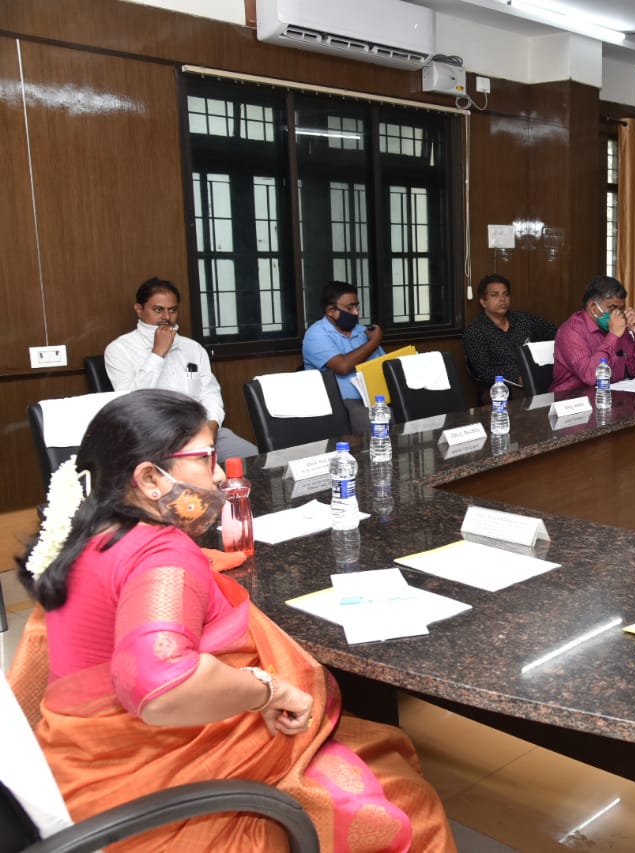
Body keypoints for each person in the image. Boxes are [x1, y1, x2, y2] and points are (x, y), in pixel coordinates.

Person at [9, 390, 454, 851]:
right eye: (205, 459)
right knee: (402, 800)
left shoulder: (90, 535)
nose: (220, 475)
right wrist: (269, 689)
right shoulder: (162, 556)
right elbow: (163, 685)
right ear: (149, 478)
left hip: (83, 768)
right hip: (156, 794)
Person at [104, 277, 257, 461]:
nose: (166, 318)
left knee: (249, 455)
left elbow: (210, 393)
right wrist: (158, 353)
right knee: (184, 468)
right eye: (158, 310)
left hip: (198, 431)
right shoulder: (119, 350)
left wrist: (212, 426)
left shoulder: (192, 348)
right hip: (152, 438)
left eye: (172, 310)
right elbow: (130, 402)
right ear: (139, 309)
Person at [302, 281, 385, 433]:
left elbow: (384, 364)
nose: (356, 313)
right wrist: (373, 342)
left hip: (376, 397)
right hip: (342, 402)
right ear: (331, 311)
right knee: (376, 421)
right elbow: (343, 366)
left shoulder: (364, 332)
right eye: (349, 307)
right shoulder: (316, 335)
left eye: (357, 306)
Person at [550, 275, 635, 394]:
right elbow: (591, 377)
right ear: (594, 308)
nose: (618, 314)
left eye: (621, 309)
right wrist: (613, 336)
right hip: (572, 401)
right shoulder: (571, 331)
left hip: (609, 398)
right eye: (612, 308)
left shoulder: (619, 328)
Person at [462, 273, 556, 387]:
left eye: (505, 294)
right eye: (495, 295)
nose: (502, 299)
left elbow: (556, 333)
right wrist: (517, 377)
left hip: (538, 375)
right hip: (503, 387)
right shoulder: (475, 331)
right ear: (483, 302)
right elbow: (483, 371)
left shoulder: (524, 319)